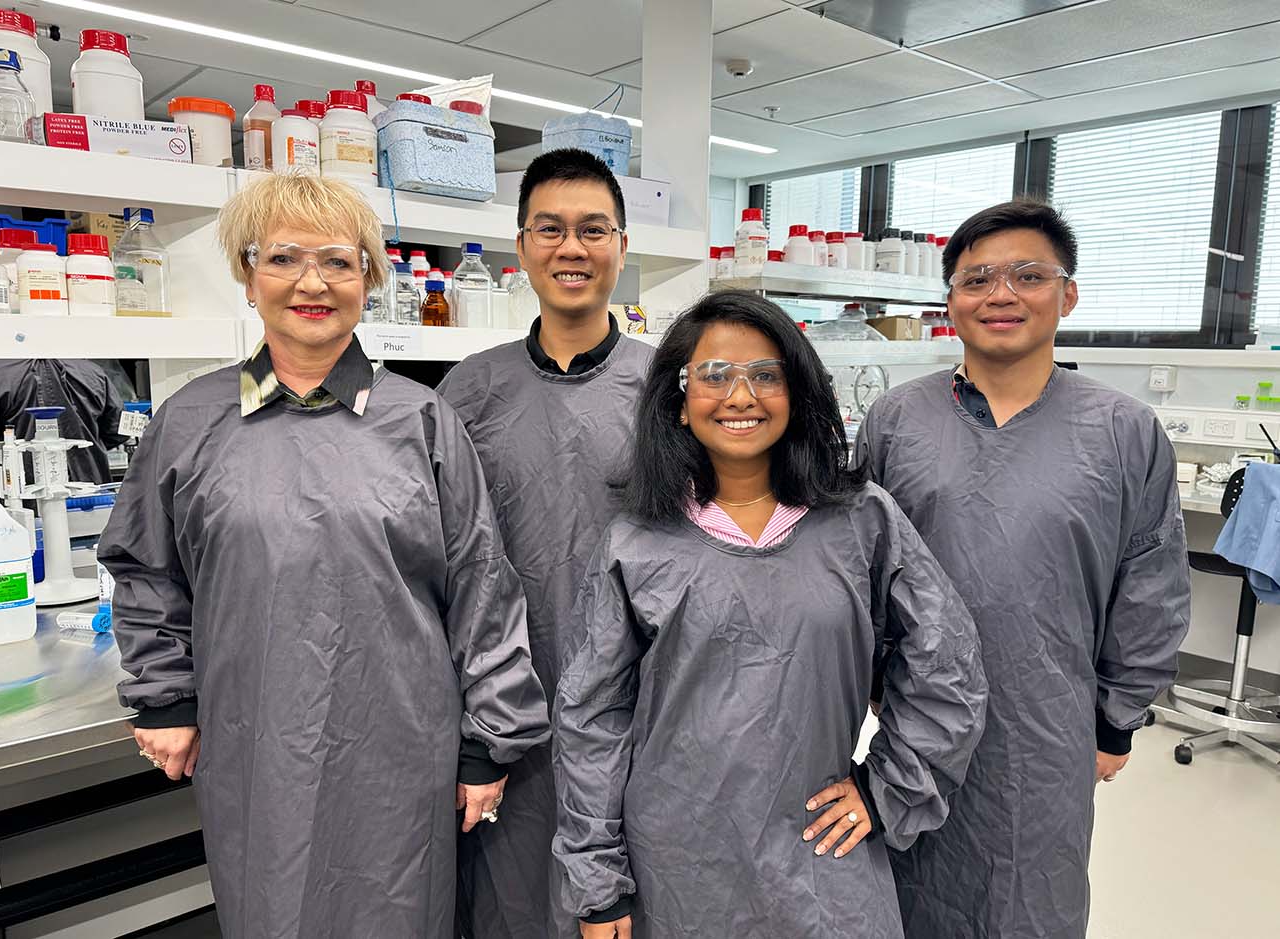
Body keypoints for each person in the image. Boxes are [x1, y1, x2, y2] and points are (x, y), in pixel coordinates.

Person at [96, 173, 550, 938]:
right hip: (253, 738)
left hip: (403, 747)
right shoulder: (190, 421)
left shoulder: (424, 422)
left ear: (369, 279)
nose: (312, 282)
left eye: (339, 262)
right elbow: (146, 568)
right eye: (283, 259)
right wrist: (165, 696)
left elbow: (481, 585)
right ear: (248, 277)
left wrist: (488, 740)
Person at [551, 290, 989, 938]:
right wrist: (597, 879)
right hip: (676, 862)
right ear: (677, 398)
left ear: (798, 390)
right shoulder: (637, 542)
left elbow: (946, 659)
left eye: (765, 374)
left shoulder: (860, 520)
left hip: (822, 851)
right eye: (715, 375)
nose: (741, 396)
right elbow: (592, 717)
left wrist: (889, 788)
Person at [853, 199, 1192, 939]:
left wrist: (1115, 720)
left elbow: (1152, 583)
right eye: (977, 279)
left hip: (1048, 729)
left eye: (1028, 275)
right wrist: (874, 684)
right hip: (915, 723)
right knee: (910, 896)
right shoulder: (896, 421)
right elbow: (857, 570)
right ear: (950, 301)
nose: (1001, 294)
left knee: (1030, 903)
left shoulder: (1123, 431)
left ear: (1067, 294)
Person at [437, 148, 653, 938]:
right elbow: (445, 565)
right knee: (515, 905)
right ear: (521, 248)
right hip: (508, 719)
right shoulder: (466, 392)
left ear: (621, 248)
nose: (573, 248)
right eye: (551, 229)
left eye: (593, 230)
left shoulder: (668, 390)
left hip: (642, 707)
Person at [0, 358, 128, 493]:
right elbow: (119, 429)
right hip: (88, 491)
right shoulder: (92, 373)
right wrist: (88, 449)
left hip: (19, 494)